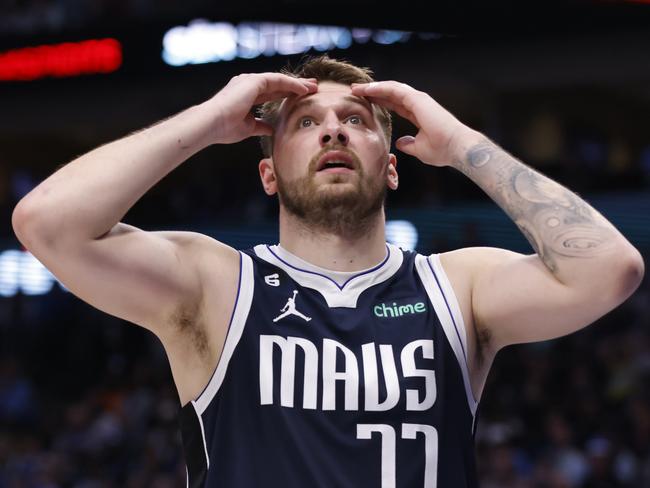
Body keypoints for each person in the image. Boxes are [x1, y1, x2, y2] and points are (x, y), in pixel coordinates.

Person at [11, 55, 644, 487]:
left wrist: (459, 143)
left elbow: (609, 269)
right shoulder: (214, 286)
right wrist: (208, 120)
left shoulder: (458, 285)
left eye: (356, 122)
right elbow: (46, 222)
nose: (332, 132)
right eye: (307, 123)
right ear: (268, 172)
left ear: (393, 166)